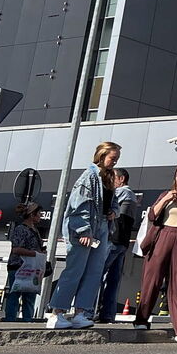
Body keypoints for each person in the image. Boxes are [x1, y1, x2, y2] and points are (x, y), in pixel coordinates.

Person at [47, 141, 118, 329]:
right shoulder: (89, 176)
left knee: (94, 272)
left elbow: (113, 202)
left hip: (102, 226)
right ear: (102, 156)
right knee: (75, 270)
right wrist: (83, 230)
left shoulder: (108, 177)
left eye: (116, 159)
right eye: (113, 158)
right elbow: (80, 204)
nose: (115, 162)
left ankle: (81, 312)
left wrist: (113, 212)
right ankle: (57, 312)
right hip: (88, 228)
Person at [133, 164, 177, 346]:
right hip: (162, 237)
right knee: (152, 280)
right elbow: (152, 216)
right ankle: (141, 320)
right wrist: (165, 199)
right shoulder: (166, 194)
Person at [95, 167, 138, 323]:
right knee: (113, 280)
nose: (111, 182)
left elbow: (105, 207)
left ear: (121, 179)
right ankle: (107, 314)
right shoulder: (132, 196)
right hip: (122, 243)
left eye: (113, 178)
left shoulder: (122, 193)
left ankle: (89, 310)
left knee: (97, 274)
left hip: (113, 240)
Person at [3, 202, 43, 322]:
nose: (40, 215)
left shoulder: (35, 230)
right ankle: (10, 320)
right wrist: (35, 254)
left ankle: (28, 319)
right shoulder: (21, 229)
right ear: (32, 215)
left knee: (30, 295)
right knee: (15, 294)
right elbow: (16, 249)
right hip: (18, 266)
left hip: (31, 267)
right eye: (39, 213)